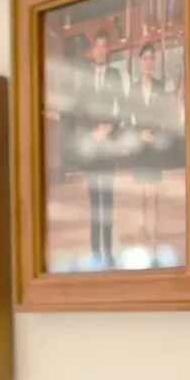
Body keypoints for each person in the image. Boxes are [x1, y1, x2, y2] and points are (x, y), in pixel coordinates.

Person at [74, 28, 125, 268]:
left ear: (108, 50)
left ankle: (109, 250)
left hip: (108, 146)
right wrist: (91, 132)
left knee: (108, 199)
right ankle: (95, 251)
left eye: (104, 46)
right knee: (94, 201)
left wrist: (109, 128)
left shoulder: (115, 76)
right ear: (92, 50)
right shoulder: (85, 76)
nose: (100, 51)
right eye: (97, 46)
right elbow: (79, 109)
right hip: (91, 147)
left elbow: (123, 108)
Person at [125, 43, 170, 263]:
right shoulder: (133, 89)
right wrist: (139, 133)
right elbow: (128, 118)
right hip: (139, 145)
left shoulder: (160, 86)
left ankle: (153, 234)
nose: (148, 63)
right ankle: (142, 231)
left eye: (151, 58)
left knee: (153, 191)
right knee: (141, 192)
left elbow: (165, 115)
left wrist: (158, 131)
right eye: (145, 59)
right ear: (139, 61)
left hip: (154, 144)